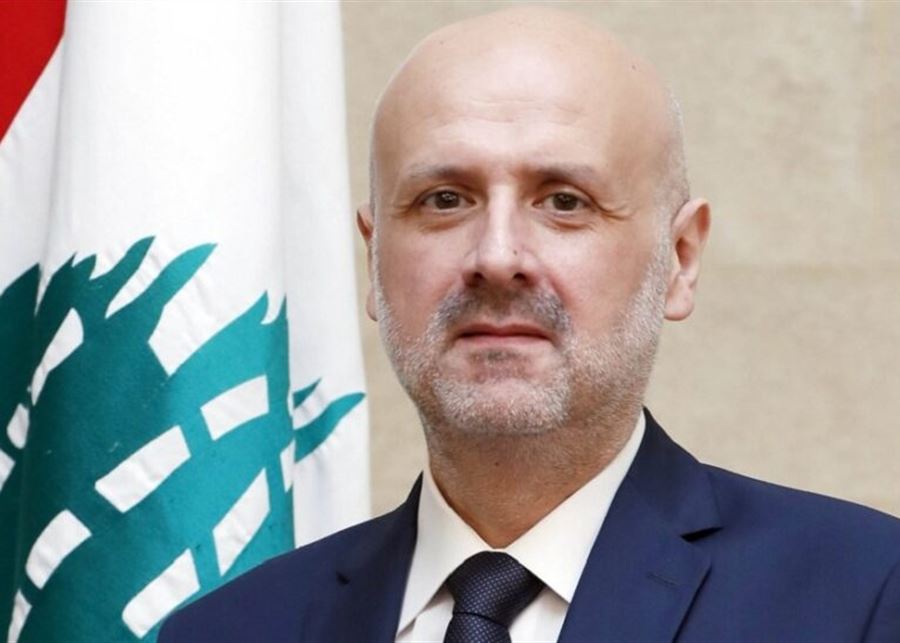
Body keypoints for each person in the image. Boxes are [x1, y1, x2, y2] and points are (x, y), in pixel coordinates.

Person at [160, 7, 900, 642]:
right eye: (445, 199)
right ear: (374, 260)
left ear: (679, 260)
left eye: (565, 201)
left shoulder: (863, 597)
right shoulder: (228, 630)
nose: (496, 256)